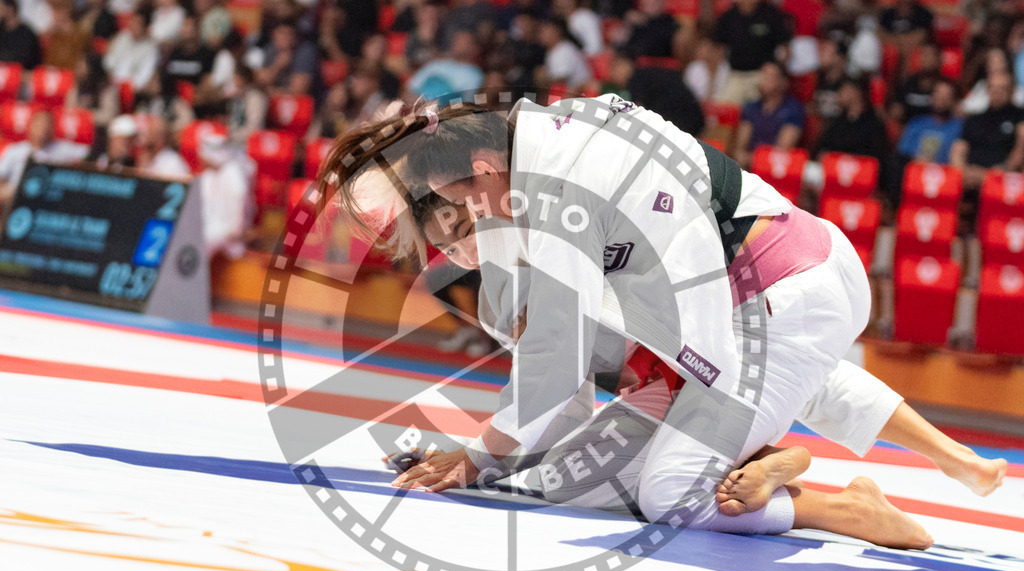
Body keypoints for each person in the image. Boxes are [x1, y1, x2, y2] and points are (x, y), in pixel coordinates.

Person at [318, 95, 1006, 547]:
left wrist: (475, 461)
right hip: (732, 322)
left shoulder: (555, 186)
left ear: (481, 170)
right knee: (578, 481)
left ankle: (838, 505)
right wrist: (500, 462)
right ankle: (762, 454)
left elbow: (554, 369)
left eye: (453, 215)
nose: (454, 242)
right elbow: (561, 392)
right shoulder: (531, 155)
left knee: (671, 490)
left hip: (783, 290)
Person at [950, 71, 1024, 190]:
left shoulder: (1019, 117)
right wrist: (963, 172)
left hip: (1002, 179)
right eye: (993, 88)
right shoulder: (974, 118)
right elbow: (960, 148)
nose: (996, 92)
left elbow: (1020, 151)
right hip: (970, 176)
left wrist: (992, 175)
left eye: (1002, 88)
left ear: (1012, 91)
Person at [0, 110, 87, 206]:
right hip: (19, 195)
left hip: (51, 196)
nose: (43, 129)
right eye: (39, 125)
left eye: (47, 125)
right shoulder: (15, 151)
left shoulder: (63, 149)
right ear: (30, 126)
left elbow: (92, 156)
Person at [714, 0, 792, 104]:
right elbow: (718, 47)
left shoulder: (770, 13)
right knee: (724, 106)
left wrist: (776, 71)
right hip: (736, 74)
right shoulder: (729, 16)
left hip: (761, 74)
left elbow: (785, 46)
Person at [734, 61, 804, 168]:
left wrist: (757, 159)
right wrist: (742, 156)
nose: (765, 80)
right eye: (763, 75)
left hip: (777, 168)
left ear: (783, 82)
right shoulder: (751, 107)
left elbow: (783, 148)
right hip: (749, 165)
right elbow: (740, 146)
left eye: (771, 77)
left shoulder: (793, 109)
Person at [897, 79, 963, 165]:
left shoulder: (959, 127)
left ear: (953, 100)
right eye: (938, 94)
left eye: (947, 95)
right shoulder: (916, 123)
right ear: (931, 97)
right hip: (915, 172)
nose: (941, 99)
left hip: (944, 174)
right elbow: (903, 153)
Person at [103, 7, 159, 92]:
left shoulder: (151, 49)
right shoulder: (122, 37)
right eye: (132, 21)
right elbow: (109, 62)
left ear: (146, 28)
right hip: (112, 83)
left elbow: (143, 78)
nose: (132, 25)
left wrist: (124, 87)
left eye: (137, 24)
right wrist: (112, 79)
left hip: (133, 91)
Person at [0, 0, 42, 70]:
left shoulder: (26, 33)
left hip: (22, 75)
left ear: (10, 8)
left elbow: (25, 59)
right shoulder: (1, 31)